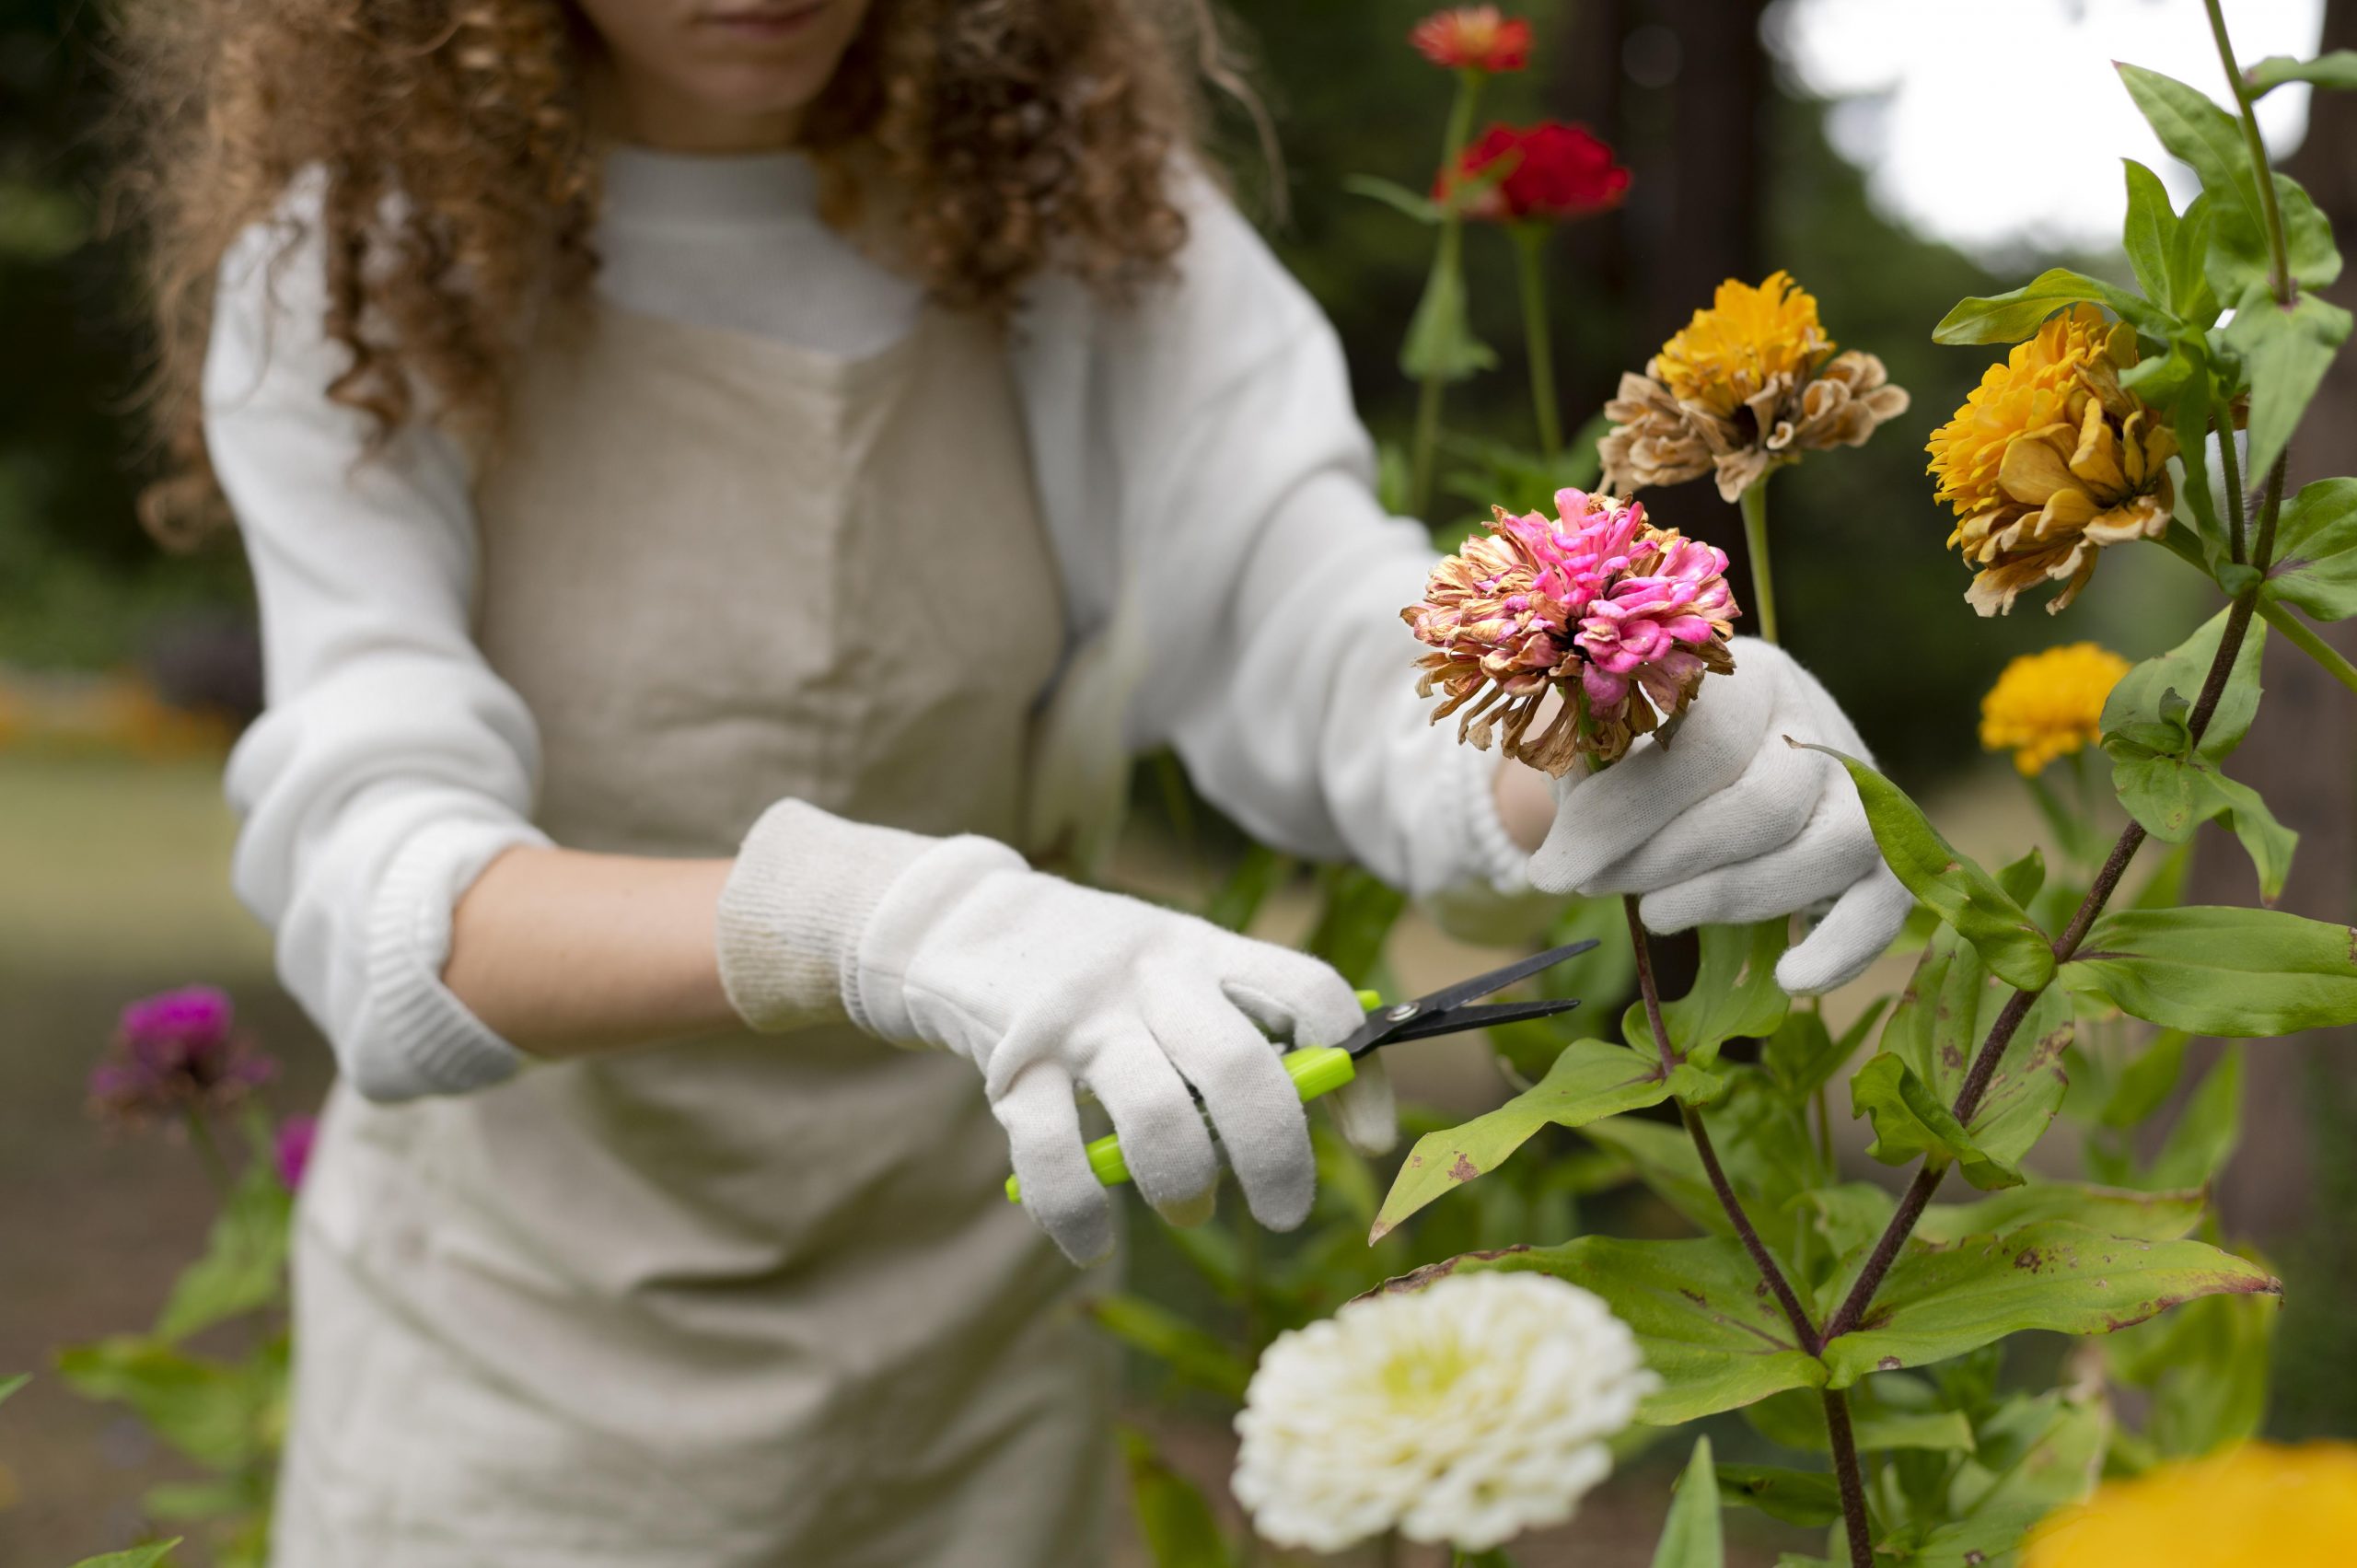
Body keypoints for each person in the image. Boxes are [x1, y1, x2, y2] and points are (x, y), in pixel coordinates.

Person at [128, 0, 1911, 1562]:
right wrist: (883, 919)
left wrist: (1607, 723)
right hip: (510, 1383)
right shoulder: (353, 269)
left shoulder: (1078, 218)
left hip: (970, 1364)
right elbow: (388, 898)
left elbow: (1314, 636)